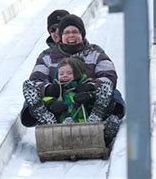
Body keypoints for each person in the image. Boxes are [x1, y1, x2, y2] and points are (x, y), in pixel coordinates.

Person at [21, 14, 124, 144]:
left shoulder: (95, 52)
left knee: (112, 92)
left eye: (75, 32)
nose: (71, 36)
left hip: (87, 98)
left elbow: (109, 76)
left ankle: (97, 121)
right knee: (30, 90)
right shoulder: (47, 56)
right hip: (59, 99)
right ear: (61, 36)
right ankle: (49, 121)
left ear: (82, 34)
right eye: (67, 32)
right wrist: (50, 94)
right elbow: (36, 80)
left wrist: (90, 88)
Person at [43, 57, 95, 124]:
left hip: (83, 121)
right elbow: (45, 99)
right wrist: (51, 104)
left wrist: (89, 96)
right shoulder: (56, 90)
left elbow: (95, 95)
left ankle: (95, 119)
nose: (65, 76)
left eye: (69, 73)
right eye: (61, 74)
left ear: (77, 74)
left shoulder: (83, 86)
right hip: (60, 125)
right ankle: (56, 121)